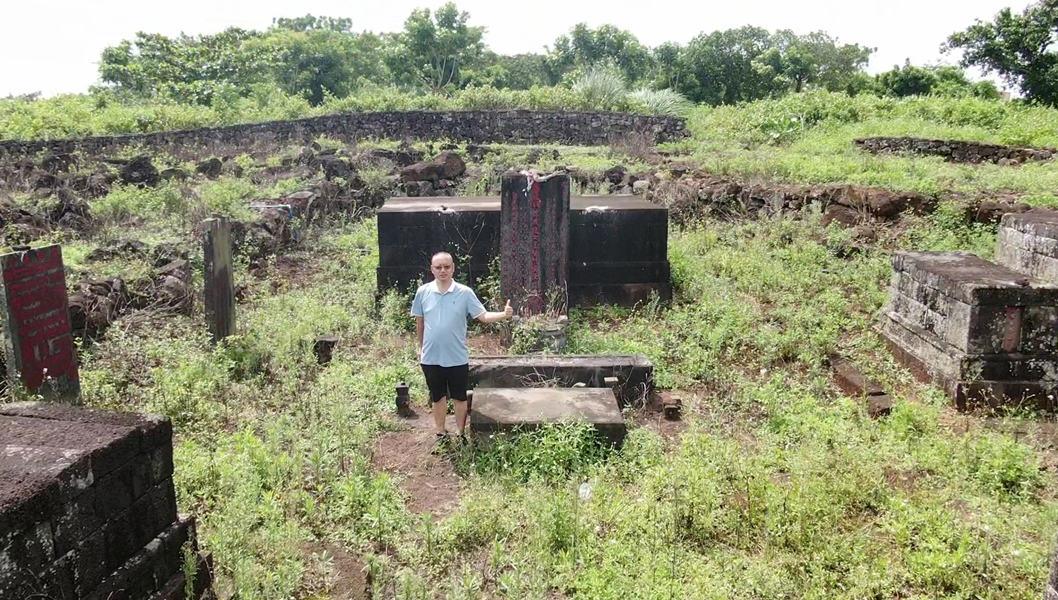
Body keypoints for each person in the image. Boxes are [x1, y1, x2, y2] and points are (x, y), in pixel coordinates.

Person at [411, 251, 513, 446]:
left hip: (457, 357)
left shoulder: (464, 292)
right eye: (438, 267)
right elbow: (420, 322)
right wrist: (420, 347)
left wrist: (503, 315)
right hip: (431, 357)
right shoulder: (423, 292)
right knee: (437, 397)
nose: (443, 271)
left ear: (453, 268)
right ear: (432, 269)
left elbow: (482, 316)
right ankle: (440, 433)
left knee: (459, 397)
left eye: (446, 267)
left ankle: (460, 433)